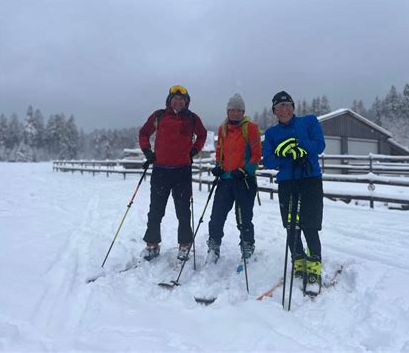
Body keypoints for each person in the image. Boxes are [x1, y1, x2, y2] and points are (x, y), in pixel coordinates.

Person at [262, 91, 325, 293]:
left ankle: (314, 265)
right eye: (280, 106)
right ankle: (298, 261)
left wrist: (301, 146)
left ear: (293, 107)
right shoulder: (271, 134)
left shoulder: (309, 122)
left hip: (310, 180)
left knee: (310, 224)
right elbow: (269, 160)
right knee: (291, 225)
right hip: (287, 182)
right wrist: (284, 152)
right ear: (274, 111)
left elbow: (319, 145)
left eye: (288, 105)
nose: (284, 109)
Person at [139, 85, 207, 262]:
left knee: (183, 211)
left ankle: (185, 245)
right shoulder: (159, 116)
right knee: (156, 210)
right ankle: (152, 244)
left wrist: (193, 151)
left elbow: (202, 135)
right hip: (161, 170)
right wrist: (148, 152)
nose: (178, 101)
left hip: (182, 171)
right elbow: (144, 133)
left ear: (186, 102)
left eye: (182, 99)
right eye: (175, 98)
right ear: (169, 101)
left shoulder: (192, 118)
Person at [206, 94, 262, 264]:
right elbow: (220, 152)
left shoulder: (250, 128)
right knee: (217, 215)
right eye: (233, 110)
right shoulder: (223, 129)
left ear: (243, 112)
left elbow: (256, 154)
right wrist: (219, 166)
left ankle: (247, 246)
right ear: (228, 111)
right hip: (225, 180)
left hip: (244, 180)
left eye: (240, 111)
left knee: (243, 216)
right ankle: (214, 246)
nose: (236, 113)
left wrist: (245, 170)